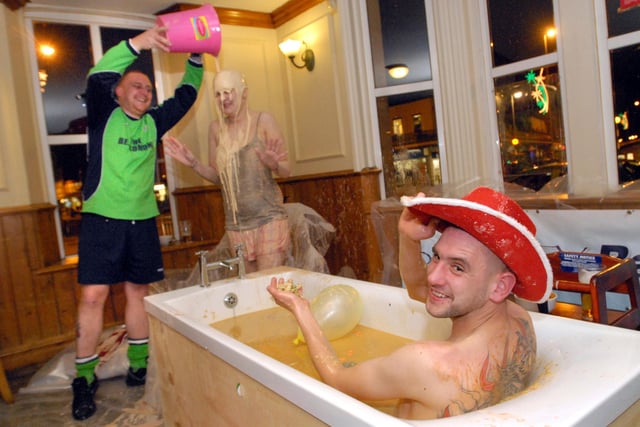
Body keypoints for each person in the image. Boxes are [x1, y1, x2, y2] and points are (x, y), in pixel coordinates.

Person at [267, 186, 552, 420]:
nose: (434, 276)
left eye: (458, 268)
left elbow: (336, 377)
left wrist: (301, 309)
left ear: (501, 286)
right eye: (437, 257)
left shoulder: (425, 363)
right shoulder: (519, 322)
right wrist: (407, 237)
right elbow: (420, 290)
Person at [72, 26, 203, 421]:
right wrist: (139, 45)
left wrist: (196, 59)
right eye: (136, 86)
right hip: (101, 221)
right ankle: (84, 378)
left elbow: (186, 95)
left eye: (148, 88)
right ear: (118, 92)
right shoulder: (103, 114)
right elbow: (99, 74)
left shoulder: (154, 123)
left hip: (142, 221)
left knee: (138, 293)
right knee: (93, 296)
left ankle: (139, 364)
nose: (145, 92)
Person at [164, 69, 291, 273]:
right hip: (236, 226)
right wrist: (194, 163)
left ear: (244, 92)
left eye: (228, 92)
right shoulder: (215, 129)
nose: (223, 98)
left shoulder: (263, 120)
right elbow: (219, 179)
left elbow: (286, 171)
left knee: (268, 287)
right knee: (249, 292)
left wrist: (273, 163)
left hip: (269, 219)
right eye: (218, 94)